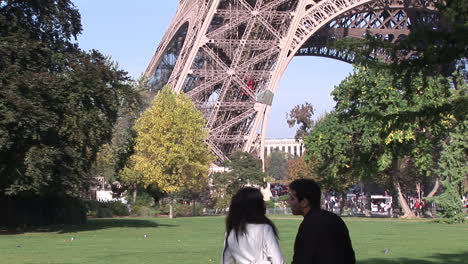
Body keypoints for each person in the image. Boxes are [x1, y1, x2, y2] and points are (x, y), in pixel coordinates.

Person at [287, 179, 355, 264]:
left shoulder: (309, 225)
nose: (289, 202)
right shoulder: (335, 219)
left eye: (292, 199)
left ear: (304, 202)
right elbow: (349, 256)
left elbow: (302, 259)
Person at [222, 187, 285, 264]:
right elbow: (278, 261)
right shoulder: (265, 229)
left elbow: (226, 261)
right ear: (255, 205)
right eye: (261, 200)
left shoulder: (231, 232)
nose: (265, 203)